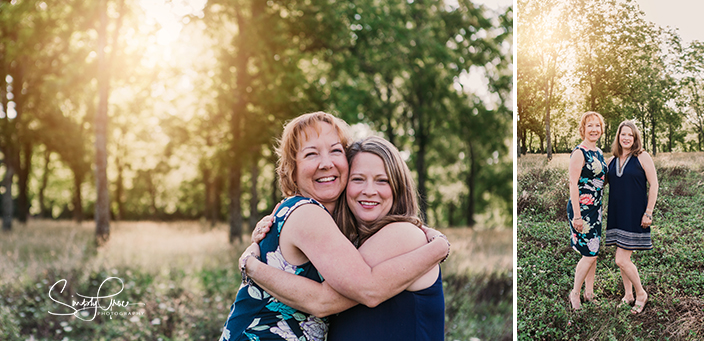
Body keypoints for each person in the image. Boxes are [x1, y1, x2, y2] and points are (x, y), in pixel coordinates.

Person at [219, 112, 450, 341]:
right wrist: (439, 247)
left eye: (382, 180)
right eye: (358, 179)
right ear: (293, 169)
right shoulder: (307, 213)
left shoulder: (397, 234)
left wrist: (252, 266)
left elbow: (336, 297)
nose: (326, 163)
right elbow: (335, 297)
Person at [605, 120, 658, 314]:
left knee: (621, 259)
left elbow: (654, 185)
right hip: (617, 214)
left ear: (635, 138)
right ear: (618, 137)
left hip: (635, 214)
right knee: (621, 254)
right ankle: (628, 295)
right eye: (623, 134)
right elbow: (597, 183)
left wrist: (649, 212)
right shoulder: (611, 161)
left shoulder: (642, 156)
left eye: (630, 135)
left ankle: (641, 293)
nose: (626, 138)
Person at [567, 111, 607, 311]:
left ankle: (589, 293)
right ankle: (575, 293)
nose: (594, 129)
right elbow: (573, 185)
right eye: (590, 125)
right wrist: (577, 215)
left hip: (596, 209)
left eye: (597, 125)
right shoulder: (580, 152)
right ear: (583, 128)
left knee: (594, 252)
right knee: (589, 254)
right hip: (581, 209)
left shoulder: (599, 152)